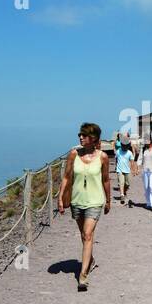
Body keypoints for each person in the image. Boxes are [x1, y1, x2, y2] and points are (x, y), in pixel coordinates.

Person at [57, 122, 110, 292]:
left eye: (84, 135)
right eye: (79, 135)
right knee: (83, 234)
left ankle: (83, 275)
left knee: (87, 235)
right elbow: (66, 177)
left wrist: (108, 200)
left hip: (95, 201)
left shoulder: (102, 157)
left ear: (93, 138)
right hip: (77, 200)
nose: (80, 137)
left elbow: (106, 180)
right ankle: (91, 260)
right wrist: (60, 198)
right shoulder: (74, 154)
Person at [113, 135, 134, 206]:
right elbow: (116, 159)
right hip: (120, 170)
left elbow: (132, 162)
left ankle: (124, 192)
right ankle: (122, 195)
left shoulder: (129, 153)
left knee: (127, 184)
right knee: (121, 182)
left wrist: (133, 170)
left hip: (127, 170)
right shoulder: (118, 151)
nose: (124, 147)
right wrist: (116, 167)